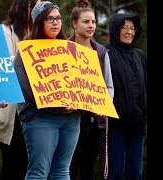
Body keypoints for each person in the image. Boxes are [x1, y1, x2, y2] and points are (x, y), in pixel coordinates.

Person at [13, 1, 81, 179]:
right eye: (50, 18)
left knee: (62, 171)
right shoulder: (26, 50)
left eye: (58, 18)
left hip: (71, 118)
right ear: (38, 21)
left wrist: (77, 102)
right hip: (40, 117)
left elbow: (80, 82)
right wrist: (57, 103)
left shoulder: (70, 49)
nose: (56, 22)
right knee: (39, 171)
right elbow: (25, 89)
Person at [0, 0, 40, 179]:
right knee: (12, 163)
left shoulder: (39, 34)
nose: (37, 10)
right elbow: (1, 64)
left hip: (34, 109)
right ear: (22, 8)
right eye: (33, 6)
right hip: (9, 110)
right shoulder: (5, 32)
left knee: (31, 165)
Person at [68, 0, 114, 180]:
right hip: (69, 121)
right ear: (74, 23)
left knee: (89, 168)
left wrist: (103, 106)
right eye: (86, 21)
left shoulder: (102, 52)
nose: (91, 25)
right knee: (68, 168)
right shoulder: (63, 49)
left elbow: (109, 86)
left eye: (93, 22)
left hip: (95, 123)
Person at [105, 13, 147, 180]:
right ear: (116, 29)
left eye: (132, 28)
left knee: (135, 172)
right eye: (125, 28)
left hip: (137, 123)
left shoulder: (140, 55)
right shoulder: (106, 53)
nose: (130, 32)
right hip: (115, 124)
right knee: (115, 171)